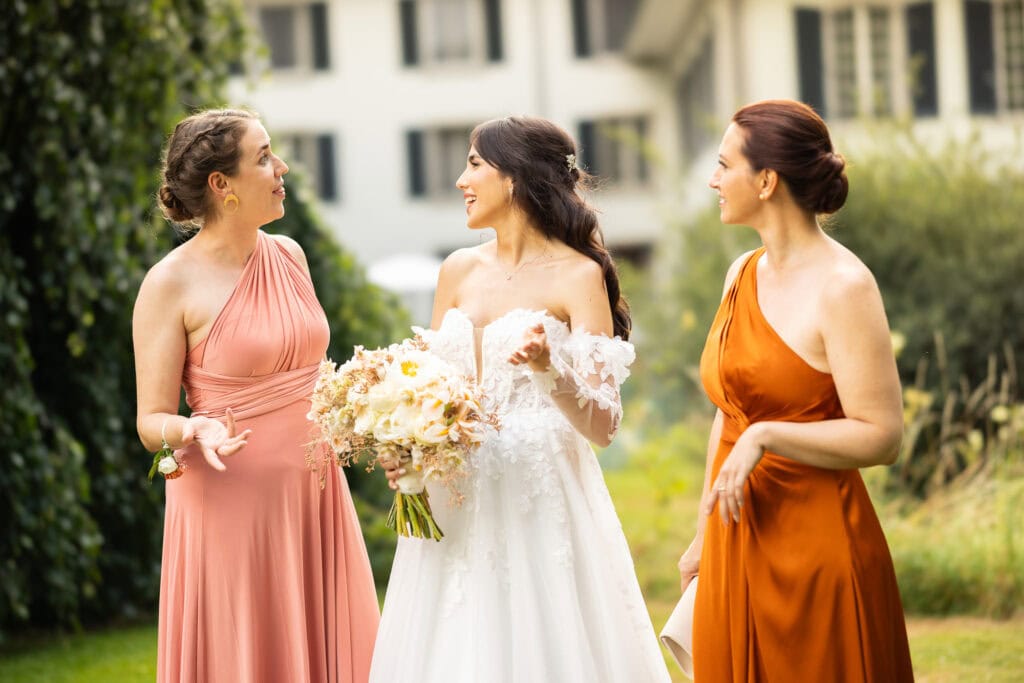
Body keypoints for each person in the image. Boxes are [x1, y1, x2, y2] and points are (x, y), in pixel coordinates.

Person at [369, 116, 670, 682]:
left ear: (513, 179)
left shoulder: (579, 276)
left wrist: (548, 368)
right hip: (455, 496)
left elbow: (603, 425)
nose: (461, 179)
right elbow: (432, 391)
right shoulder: (457, 270)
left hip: (537, 500)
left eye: (475, 164)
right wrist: (406, 446)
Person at [133, 108, 379, 683]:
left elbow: (314, 376)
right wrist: (191, 429)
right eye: (264, 156)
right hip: (229, 496)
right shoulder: (168, 284)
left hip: (314, 489)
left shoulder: (289, 253)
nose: (281, 167)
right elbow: (150, 419)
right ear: (223, 186)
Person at [677, 99, 914, 681]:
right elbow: (728, 414)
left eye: (723, 165)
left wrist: (767, 435)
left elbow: (883, 437)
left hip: (819, 551)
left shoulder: (845, 286)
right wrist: (704, 534)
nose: (713, 180)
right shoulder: (742, 272)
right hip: (737, 538)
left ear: (765, 180)